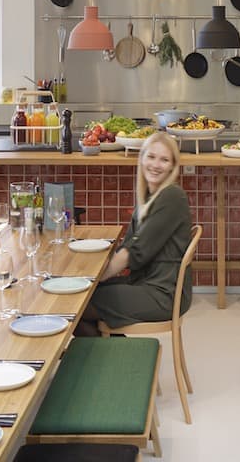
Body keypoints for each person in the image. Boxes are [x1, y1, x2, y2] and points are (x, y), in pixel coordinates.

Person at [78, 132, 194, 336]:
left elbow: (134, 252)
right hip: (145, 283)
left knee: (77, 303)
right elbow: (129, 244)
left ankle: (108, 355)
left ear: (172, 166)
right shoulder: (149, 197)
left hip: (163, 293)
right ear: (141, 159)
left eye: (164, 160)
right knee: (82, 297)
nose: (156, 165)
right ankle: (114, 353)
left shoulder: (172, 196)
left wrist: (94, 278)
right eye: (151, 157)